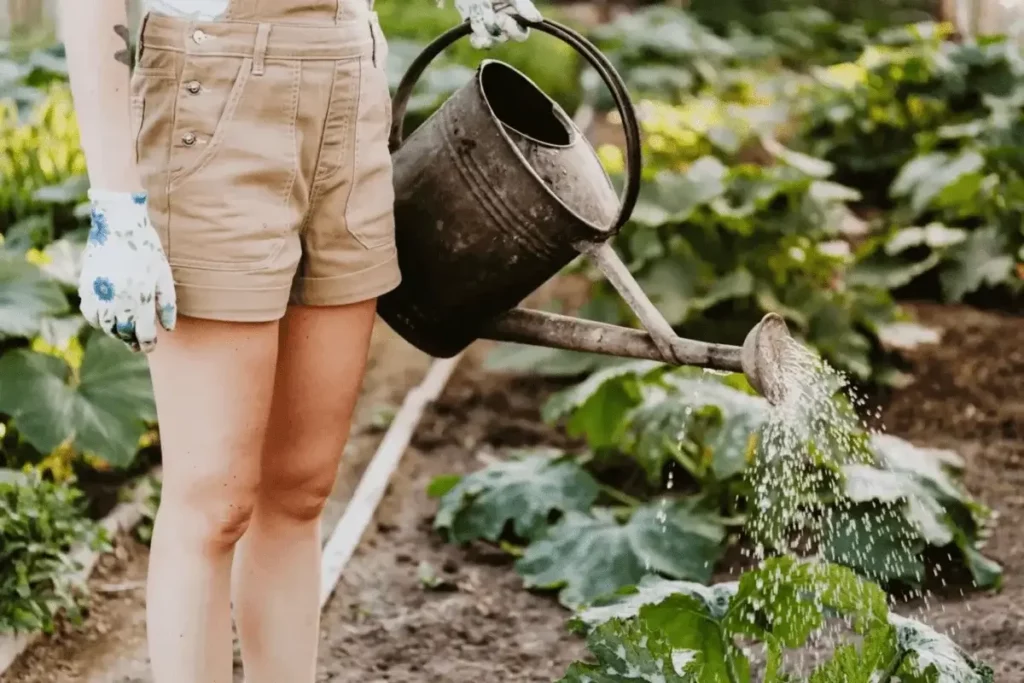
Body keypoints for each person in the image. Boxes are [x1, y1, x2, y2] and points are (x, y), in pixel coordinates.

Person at [58, 0, 541, 680]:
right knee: (215, 503)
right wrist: (114, 200)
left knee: (301, 491)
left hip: (350, 80)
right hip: (215, 90)